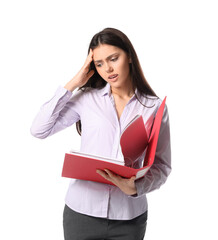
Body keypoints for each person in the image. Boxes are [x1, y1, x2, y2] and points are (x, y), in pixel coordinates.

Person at [30, 27, 171, 240]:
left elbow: (162, 166)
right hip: (81, 214)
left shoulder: (153, 107)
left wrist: (135, 187)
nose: (108, 68)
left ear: (129, 56)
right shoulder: (86, 98)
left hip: (129, 218)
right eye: (99, 63)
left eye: (114, 58)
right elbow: (39, 129)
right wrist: (74, 83)